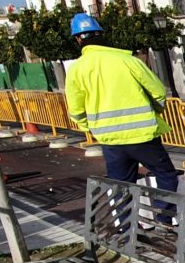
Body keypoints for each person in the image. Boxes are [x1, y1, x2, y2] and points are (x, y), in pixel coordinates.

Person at [64, 13, 178, 194]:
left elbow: (76, 110)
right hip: (143, 134)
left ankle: (125, 214)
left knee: (121, 186)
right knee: (166, 175)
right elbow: (158, 92)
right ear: (102, 34)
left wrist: (90, 127)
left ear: (78, 39)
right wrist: (154, 111)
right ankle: (164, 211)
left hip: (110, 139)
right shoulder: (128, 61)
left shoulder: (76, 69)